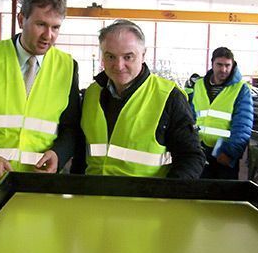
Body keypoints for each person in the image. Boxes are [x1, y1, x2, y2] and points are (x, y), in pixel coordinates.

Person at [0, 0, 81, 209]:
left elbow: (71, 127)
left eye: (56, 27)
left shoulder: (67, 67)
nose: (48, 35)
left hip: (38, 183)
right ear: (21, 19)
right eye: (41, 25)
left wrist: (58, 154)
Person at [78, 19, 205, 178]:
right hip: (95, 196)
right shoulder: (91, 93)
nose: (119, 65)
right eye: (110, 57)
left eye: (128, 57)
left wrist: (169, 195)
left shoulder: (168, 96)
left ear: (143, 55)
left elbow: (191, 157)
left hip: (146, 199)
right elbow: (81, 152)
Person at [190, 46, 253, 179]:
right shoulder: (199, 85)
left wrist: (230, 153)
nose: (223, 70)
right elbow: (191, 116)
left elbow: (243, 125)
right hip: (200, 150)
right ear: (212, 63)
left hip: (224, 153)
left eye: (227, 65)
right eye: (219, 65)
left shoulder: (241, 89)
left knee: (225, 193)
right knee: (198, 193)